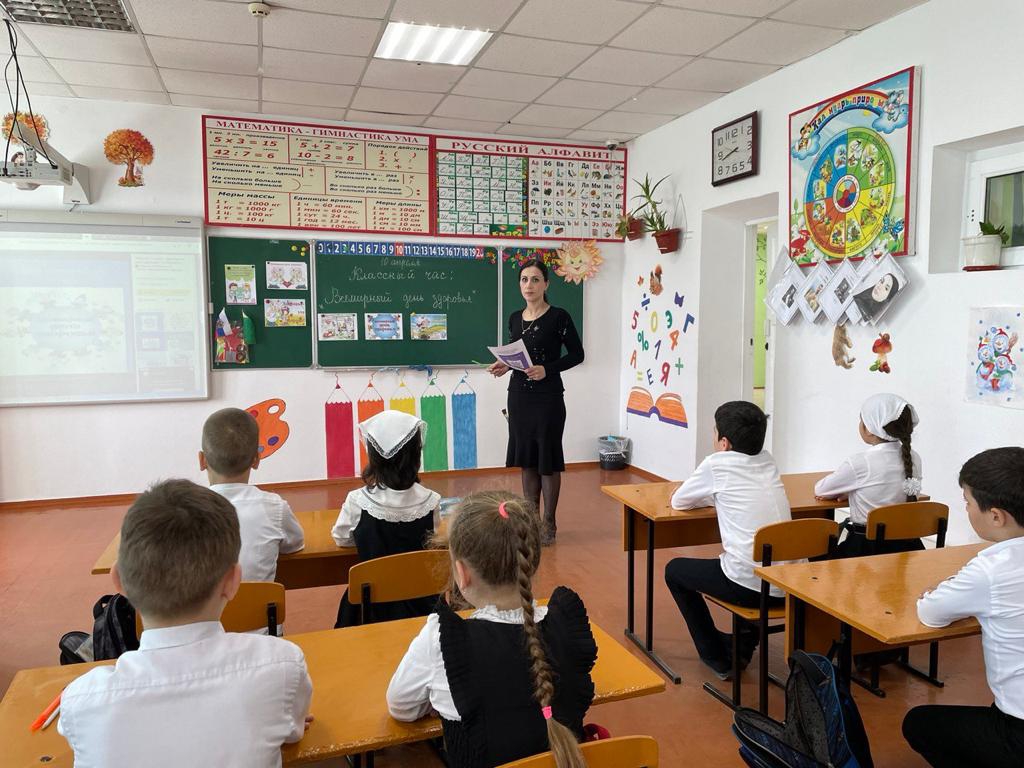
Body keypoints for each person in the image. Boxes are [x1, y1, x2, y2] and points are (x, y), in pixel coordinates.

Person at [58, 479, 313, 767]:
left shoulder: (82, 700)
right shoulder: (282, 666)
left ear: (119, 581)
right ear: (233, 582)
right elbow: (293, 728)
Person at [386, 491, 597, 768]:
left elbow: (401, 706)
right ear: (532, 563)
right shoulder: (565, 621)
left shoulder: (443, 640)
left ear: (461, 573)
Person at [902, 448, 1024, 767]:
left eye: (967, 503)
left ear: (996, 516)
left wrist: (943, 591)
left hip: (1018, 732)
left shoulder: (991, 570)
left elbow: (931, 613)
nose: (966, 509)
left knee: (919, 723)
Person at [664, 401, 792, 679]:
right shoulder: (767, 460)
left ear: (723, 443)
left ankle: (716, 655)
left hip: (750, 587)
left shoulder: (717, 464)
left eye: (714, 432)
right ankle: (742, 647)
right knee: (752, 563)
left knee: (674, 571)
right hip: (789, 583)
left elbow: (679, 501)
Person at [488, 259, 584, 544]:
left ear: (546, 284)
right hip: (519, 396)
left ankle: (549, 523)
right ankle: (531, 520)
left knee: (547, 459)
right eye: (524, 280)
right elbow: (520, 356)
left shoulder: (559, 317)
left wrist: (547, 369)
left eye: (535, 279)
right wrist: (505, 365)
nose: (528, 285)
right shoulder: (514, 318)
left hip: (548, 397)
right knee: (527, 458)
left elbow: (577, 355)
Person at [331, 409, 441, 627]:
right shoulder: (431, 500)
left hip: (370, 607)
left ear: (374, 456)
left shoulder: (358, 500)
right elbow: (433, 543)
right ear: (416, 454)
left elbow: (341, 538)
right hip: (421, 605)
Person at [200, 407, 304, 582]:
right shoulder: (274, 507)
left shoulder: (184, 512)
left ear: (202, 460)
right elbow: (295, 544)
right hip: (259, 601)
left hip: (206, 601)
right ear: (256, 459)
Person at [814, 393, 923, 557]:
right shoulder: (914, 458)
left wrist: (851, 490)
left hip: (865, 552)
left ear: (870, 429)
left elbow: (820, 489)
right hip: (906, 550)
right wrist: (858, 491)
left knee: (817, 552)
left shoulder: (860, 462)